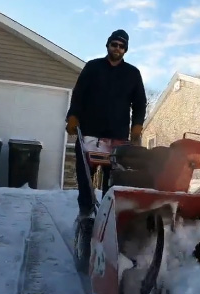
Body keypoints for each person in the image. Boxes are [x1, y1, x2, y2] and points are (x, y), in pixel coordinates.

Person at [65, 29, 147, 217]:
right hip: (89, 132)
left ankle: (108, 216)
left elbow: (140, 102)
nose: (117, 48)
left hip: (117, 135)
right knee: (85, 175)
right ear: (108, 45)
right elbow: (79, 94)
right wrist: (73, 116)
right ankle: (85, 212)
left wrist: (137, 126)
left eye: (121, 46)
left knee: (114, 178)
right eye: (114, 44)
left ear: (125, 50)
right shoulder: (93, 67)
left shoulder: (132, 73)